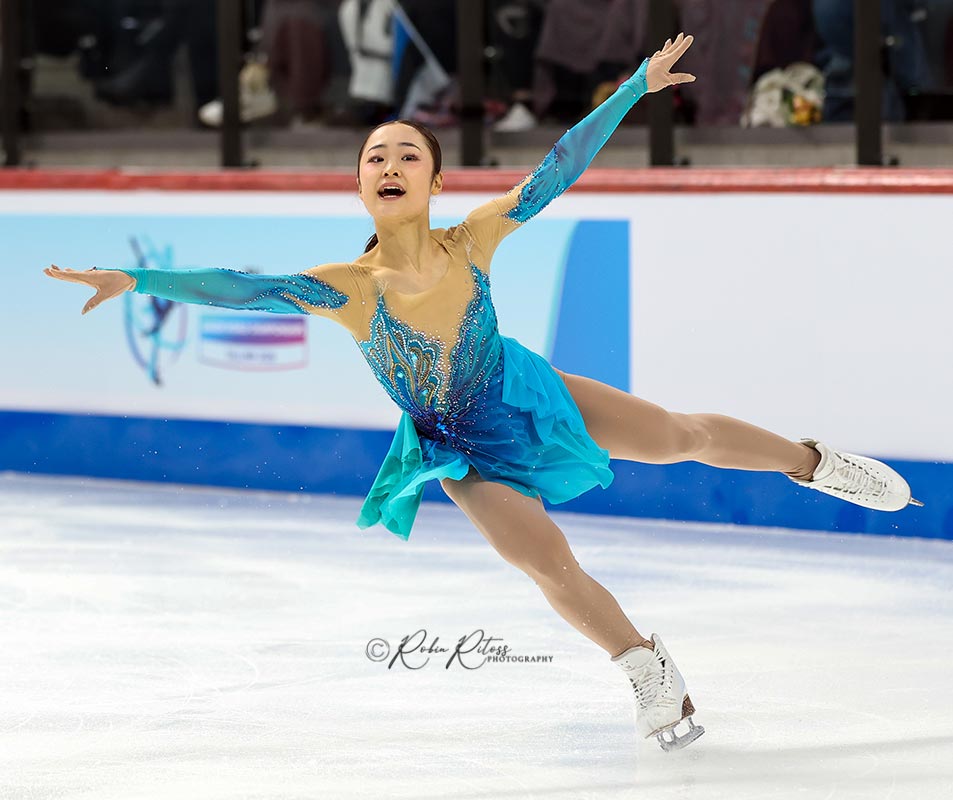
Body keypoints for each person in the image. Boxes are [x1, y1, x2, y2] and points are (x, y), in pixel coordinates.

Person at [44, 33, 921, 753]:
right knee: (543, 561)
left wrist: (632, 89)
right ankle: (646, 668)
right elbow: (241, 287)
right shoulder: (346, 287)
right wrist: (136, 279)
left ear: (434, 182)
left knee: (677, 436)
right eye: (375, 156)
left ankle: (814, 462)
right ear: (360, 185)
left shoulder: (472, 241)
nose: (390, 163)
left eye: (408, 154)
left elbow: (555, 170)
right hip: (456, 444)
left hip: (525, 392)